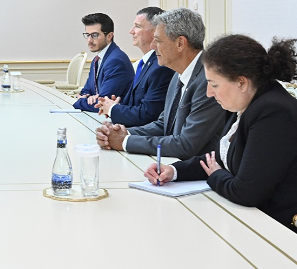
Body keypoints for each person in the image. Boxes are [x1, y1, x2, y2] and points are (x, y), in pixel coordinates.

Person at [144, 35, 297, 264]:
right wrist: (174, 171)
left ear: (241, 82)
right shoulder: (251, 102)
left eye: (214, 84)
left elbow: (245, 192)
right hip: (266, 223)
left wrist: (216, 175)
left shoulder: (275, 112)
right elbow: (219, 159)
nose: (209, 93)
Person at [96, 8, 230, 158]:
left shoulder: (208, 80)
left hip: (200, 169)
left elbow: (186, 145)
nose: (153, 46)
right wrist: (121, 133)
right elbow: (164, 124)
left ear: (180, 43)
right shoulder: (178, 73)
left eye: (158, 40)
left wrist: (124, 141)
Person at [95, 7, 175, 126]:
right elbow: (135, 104)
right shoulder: (145, 63)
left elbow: (149, 114)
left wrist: (113, 109)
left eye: (137, 26)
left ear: (155, 32)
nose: (131, 31)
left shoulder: (160, 67)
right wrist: (114, 106)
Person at [73, 13, 134, 112]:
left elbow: (103, 103)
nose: (89, 40)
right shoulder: (97, 59)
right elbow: (86, 91)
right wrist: (87, 97)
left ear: (109, 36)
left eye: (94, 35)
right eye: (87, 35)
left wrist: (80, 101)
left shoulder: (116, 61)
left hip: (114, 118)